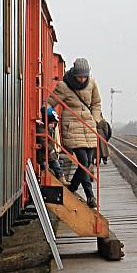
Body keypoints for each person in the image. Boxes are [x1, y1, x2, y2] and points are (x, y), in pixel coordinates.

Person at [47, 57, 102, 208]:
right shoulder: (64, 86)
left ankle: (72, 187)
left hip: (89, 126)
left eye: (84, 76)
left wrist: (95, 119)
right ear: (74, 74)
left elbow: (96, 103)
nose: (82, 79)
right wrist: (49, 114)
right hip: (72, 127)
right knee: (83, 162)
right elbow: (49, 103)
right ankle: (90, 196)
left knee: (88, 162)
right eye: (80, 76)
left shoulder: (92, 84)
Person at [36, 106, 70, 186]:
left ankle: (60, 177)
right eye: (52, 123)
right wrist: (51, 150)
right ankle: (60, 178)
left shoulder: (46, 129)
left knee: (55, 165)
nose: (53, 126)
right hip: (45, 154)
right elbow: (43, 141)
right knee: (54, 165)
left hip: (48, 154)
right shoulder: (42, 129)